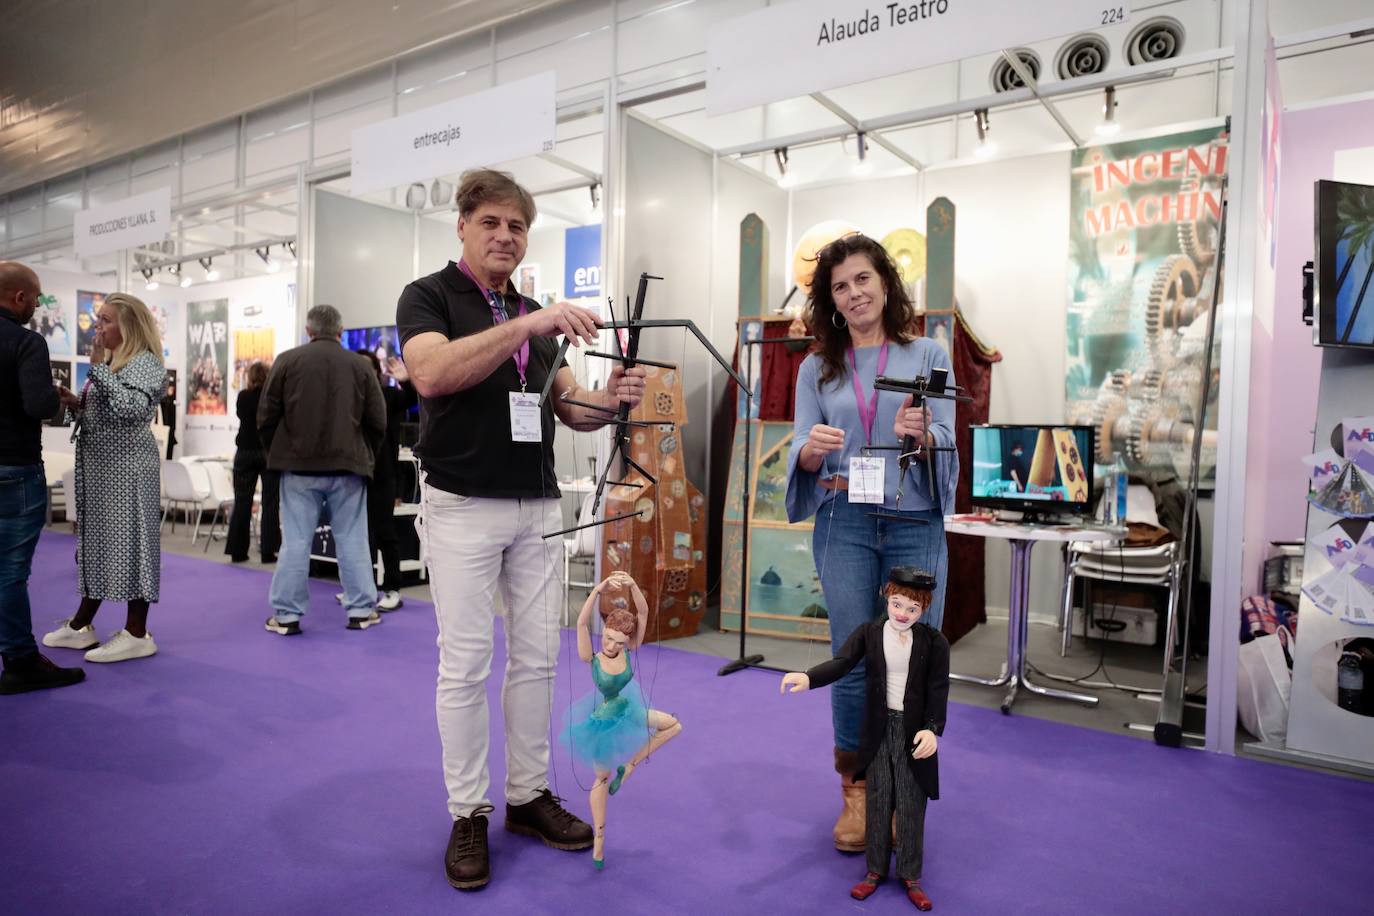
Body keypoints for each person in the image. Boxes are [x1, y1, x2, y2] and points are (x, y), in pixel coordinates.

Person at [396, 167, 647, 891]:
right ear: (464, 227)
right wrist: (529, 322)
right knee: (466, 664)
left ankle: (528, 796)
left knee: (538, 660)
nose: (505, 235)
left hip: (537, 505)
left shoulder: (533, 315)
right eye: (492, 223)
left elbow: (570, 408)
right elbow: (432, 375)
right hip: (462, 504)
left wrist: (612, 399)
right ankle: (467, 810)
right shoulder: (430, 296)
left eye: (516, 226)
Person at [785, 233, 957, 853]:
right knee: (855, 656)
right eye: (839, 286)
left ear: (885, 283)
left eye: (862, 279)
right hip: (845, 524)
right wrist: (810, 450)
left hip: (913, 520)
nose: (853, 293)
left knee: (910, 662)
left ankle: (902, 789)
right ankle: (857, 792)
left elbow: (946, 434)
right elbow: (800, 450)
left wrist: (925, 433)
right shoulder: (816, 368)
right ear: (829, 301)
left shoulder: (929, 351)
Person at [781, 566, 949, 912]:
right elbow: (842, 663)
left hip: (912, 731)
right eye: (897, 603)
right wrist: (809, 677)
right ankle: (874, 871)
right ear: (887, 597)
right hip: (877, 727)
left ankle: (910, 874)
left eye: (912, 609)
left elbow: (938, 689)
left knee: (910, 802)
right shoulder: (869, 633)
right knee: (877, 797)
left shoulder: (934, 642)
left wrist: (932, 728)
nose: (902, 613)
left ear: (924, 610)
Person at [43, 293, 167, 663]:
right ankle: (82, 625)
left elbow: (131, 409)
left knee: (134, 547)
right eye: (98, 320)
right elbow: (108, 410)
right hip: (101, 473)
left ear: (129, 326)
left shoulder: (146, 363)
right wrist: (76, 403)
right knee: (96, 548)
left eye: (105, 320)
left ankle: (137, 632)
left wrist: (96, 368)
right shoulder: (114, 363)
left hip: (128, 472)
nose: (98, 327)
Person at [258, 304, 385, 635]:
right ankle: (360, 610)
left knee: (296, 541)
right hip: (348, 465)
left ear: (309, 330)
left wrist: (280, 452)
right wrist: (365, 454)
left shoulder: (287, 361)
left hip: (298, 467)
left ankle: (286, 616)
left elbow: (266, 415)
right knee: (353, 540)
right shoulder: (360, 366)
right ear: (341, 332)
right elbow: (378, 420)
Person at [0, 261, 85, 694]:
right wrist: (59, 399)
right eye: (35, 297)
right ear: (18, 298)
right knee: (11, 573)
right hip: (14, 470)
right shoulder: (26, 342)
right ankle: (18, 659)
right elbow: (37, 405)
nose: (37, 304)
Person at [560, 572, 682, 870]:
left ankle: (629, 766)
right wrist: (597, 590)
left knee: (673, 725)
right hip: (603, 720)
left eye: (618, 642)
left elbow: (643, 612)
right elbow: (580, 622)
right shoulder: (592, 656)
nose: (611, 645)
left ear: (627, 643)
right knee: (601, 779)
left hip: (629, 708)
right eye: (609, 637)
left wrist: (634, 585)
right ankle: (600, 840)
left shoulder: (630, 650)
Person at [341, 350, 417, 610]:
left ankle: (393, 588)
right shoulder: (346, 399)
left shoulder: (389, 396)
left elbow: (411, 398)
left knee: (385, 533)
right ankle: (360, 588)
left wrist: (406, 380)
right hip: (352, 475)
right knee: (356, 536)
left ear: (375, 371)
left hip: (382, 475)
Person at [225, 361, 281, 564]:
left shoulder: (243, 397)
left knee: (242, 501)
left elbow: (241, 416)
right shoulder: (273, 398)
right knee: (270, 502)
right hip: (268, 452)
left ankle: (237, 551)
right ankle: (268, 551)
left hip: (244, 451)